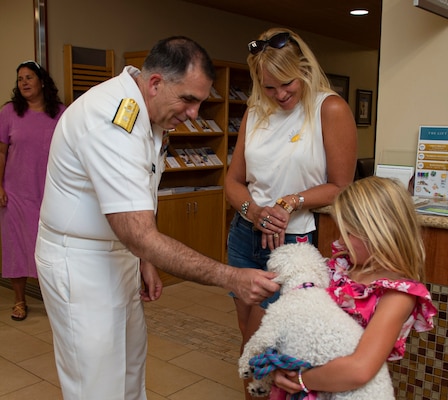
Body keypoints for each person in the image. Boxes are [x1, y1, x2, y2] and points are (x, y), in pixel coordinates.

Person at [35, 36, 279, 400]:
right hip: (80, 262)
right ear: (154, 83)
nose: (194, 113)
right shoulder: (112, 119)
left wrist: (142, 258)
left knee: (130, 367)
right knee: (96, 382)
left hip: (119, 252)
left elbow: (138, 200)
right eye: (189, 100)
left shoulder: (149, 112)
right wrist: (229, 276)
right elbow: (139, 233)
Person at [224, 27, 357, 399]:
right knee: (253, 342)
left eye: (287, 84)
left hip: (293, 244)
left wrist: (289, 202)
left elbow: (341, 185)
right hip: (244, 237)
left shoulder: (329, 108)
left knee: (257, 348)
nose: (280, 95)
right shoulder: (255, 113)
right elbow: (233, 181)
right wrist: (255, 212)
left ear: (303, 69)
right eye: (269, 87)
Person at [271, 176, 438, 398]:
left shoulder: (398, 295)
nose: (340, 240)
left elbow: (360, 369)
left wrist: (301, 379)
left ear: (379, 232)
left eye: (348, 233)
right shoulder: (340, 266)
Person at [0, 60, 65, 321]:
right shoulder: (8, 113)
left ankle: (52, 300)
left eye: (29, 77)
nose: (24, 83)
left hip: (50, 193)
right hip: (16, 193)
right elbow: (1, 152)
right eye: (20, 79)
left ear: (42, 81)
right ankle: (19, 301)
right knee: (16, 246)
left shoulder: (60, 113)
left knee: (49, 249)